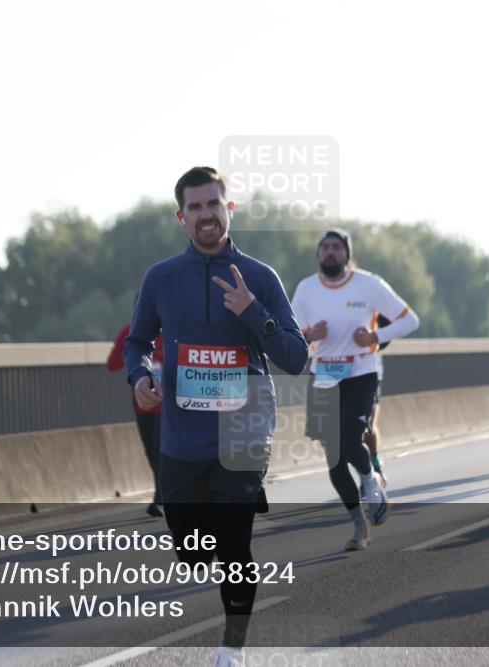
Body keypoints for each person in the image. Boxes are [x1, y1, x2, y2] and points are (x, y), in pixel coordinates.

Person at [124, 166, 307, 667]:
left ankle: (232, 647)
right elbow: (136, 342)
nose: (207, 215)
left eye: (214, 204)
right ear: (181, 217)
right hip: (182, 437)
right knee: (192, 551)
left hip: (244, 427)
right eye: (196, 207)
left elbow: (294, 357)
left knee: (233, 546)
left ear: (231, 208)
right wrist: (138, 377)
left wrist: (253, 311)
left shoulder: (261, 278)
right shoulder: (161, 278)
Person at [291, 229, 419, 550]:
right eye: (325, 247)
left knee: (349, 438)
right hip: (323, 375)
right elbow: (289, 332)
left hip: (361, 372)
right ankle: (359, 527)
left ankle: (368, 478)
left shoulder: (369, 284)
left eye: (337, 247)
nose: (331, 252)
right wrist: (308, 334)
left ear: (347, 255)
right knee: (333, 458)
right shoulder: (306, 289)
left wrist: (375, 337)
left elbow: (410, 320)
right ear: (318, 255)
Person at [107, 322, 165, 517]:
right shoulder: (129, 333)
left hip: (166, 403)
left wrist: (156, 357)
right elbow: (112, 364)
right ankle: (162, 493)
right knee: (150, 450)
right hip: (142, 404)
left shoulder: (172, 329)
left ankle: (160, 497)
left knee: (160, 449)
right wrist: (135, 357)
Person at [364, 314, 391, 485]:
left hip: (369, 369)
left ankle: (375, 462)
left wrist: (374, 342)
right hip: (339, 370)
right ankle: (364, 470)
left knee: (368, 423)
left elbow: (390, 326)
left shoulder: (370, 293)